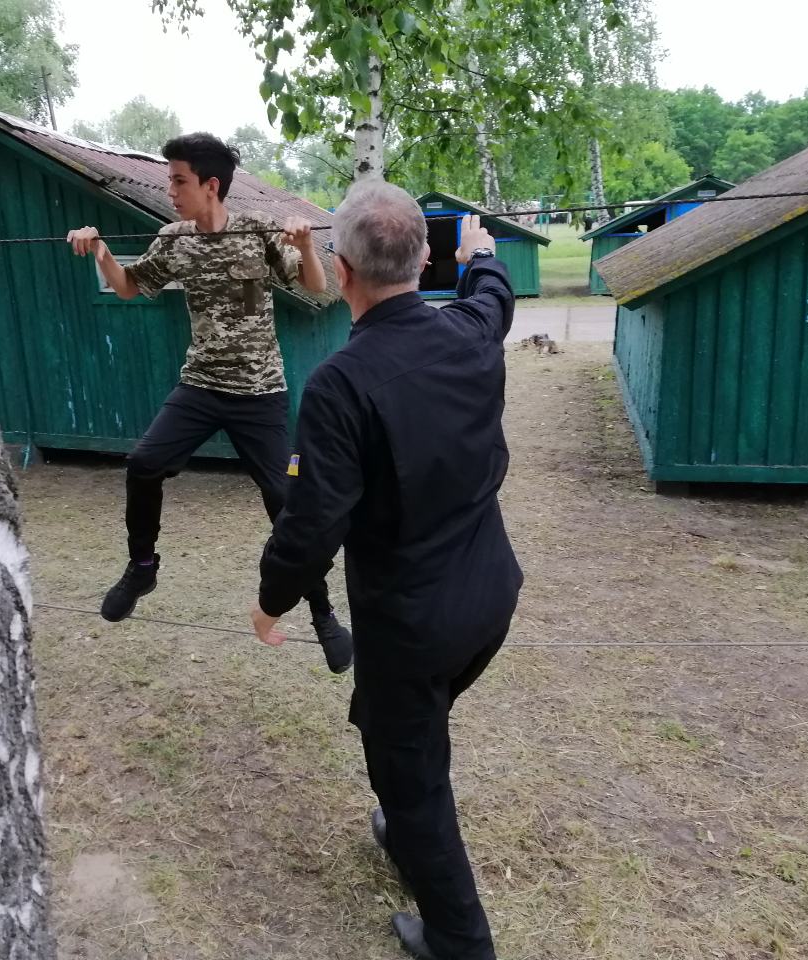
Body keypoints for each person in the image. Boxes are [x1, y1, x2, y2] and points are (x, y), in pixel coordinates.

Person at [250, 182, 523, 959]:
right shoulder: (469, 329)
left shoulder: (339, 384)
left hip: (413, 625)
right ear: (424, 260)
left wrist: (270, 602)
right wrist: (483, 253)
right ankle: (405, 830)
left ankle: (459, 941)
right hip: (488, 600)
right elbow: (494, 297)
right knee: (397, 726)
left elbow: (311, 525)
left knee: (411, 773)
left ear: (341, 270)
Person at [67, 133, 352, 672]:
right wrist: (100, 250)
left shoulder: (257, 231)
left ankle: (323, 613)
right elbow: (128, 287)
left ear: (211, 185)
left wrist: (306, 246)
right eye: (170, 181)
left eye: (179, 181)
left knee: (286, 502)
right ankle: (142, 567)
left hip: (260, 392)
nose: (171, 191)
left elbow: (318, 287)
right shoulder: (174, 239)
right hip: (200, 385)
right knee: (143, 463)